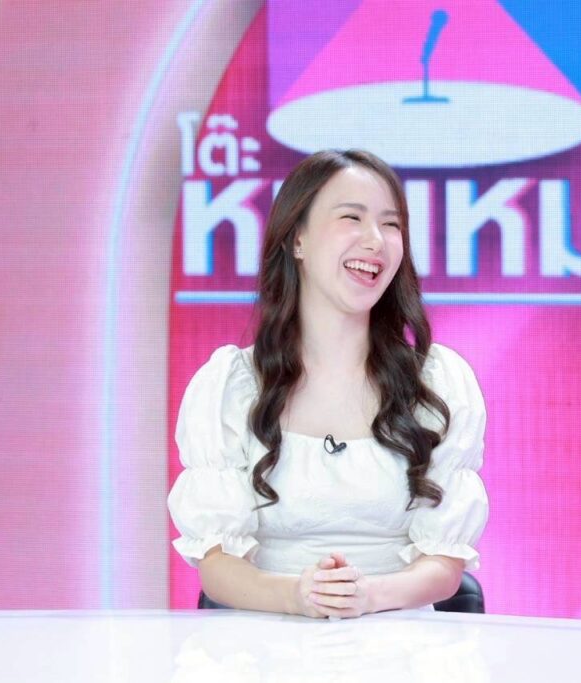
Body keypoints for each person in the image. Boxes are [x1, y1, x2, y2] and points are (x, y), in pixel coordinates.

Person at [167, 150, 488, 618]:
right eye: (351, 218)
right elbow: (216, 568)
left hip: (400, 638)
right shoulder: (232, 386)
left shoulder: (437, 382)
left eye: (391, 224)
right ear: (297, 239)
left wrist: (367, 596)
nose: (375, 240)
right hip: (263, 640)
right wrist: (298, 596)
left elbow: (444, 565)